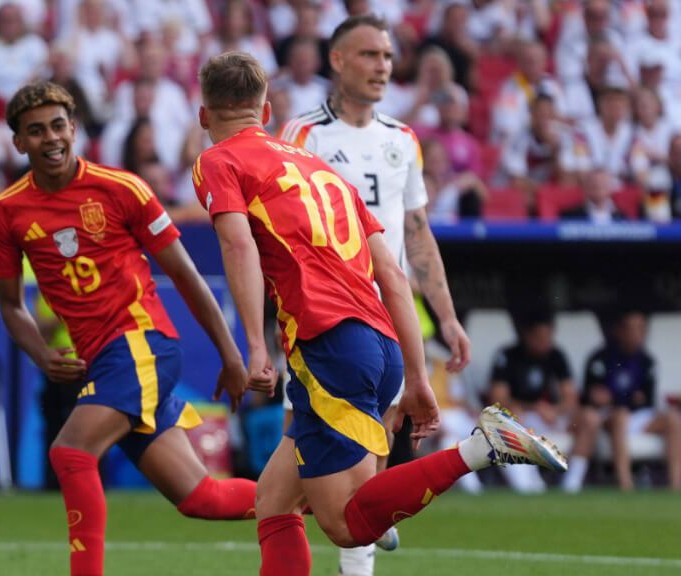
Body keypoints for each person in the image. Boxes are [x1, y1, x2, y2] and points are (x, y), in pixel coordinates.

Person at [192, 51, 566, 576]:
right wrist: (416, 376)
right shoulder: (320, 168)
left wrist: (254, 345)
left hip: (329, 348)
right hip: (377, 342)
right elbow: (391, 273)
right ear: (267, 110)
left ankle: (481, 448)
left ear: (204, 115)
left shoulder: (219, 160)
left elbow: (238, 245)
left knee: (346, 525)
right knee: (275, 501)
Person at [0, 81, 263, 575]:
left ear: (74, 129)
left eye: (58, 125)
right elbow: (11, 305)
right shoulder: (5, 212)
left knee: (71, 452)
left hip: (142, 343)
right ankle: (329, 500)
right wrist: (39, 353)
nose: (50, 138)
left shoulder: (121, 189)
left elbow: (185, 275)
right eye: (36, 130)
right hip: (104, 362)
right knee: (203, 498)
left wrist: (231, 354)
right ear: (19, 143)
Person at [280, 16, 472, 574]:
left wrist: (446, 315)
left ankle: (359, 551)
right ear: (337, 61)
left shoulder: (401, 139)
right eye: (369, 55)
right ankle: (368, 525)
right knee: (298, 463)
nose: (382, 66)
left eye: (387, 57)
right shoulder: (304, 136)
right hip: (323, 315)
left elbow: (417, 231)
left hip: (384, 317)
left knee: (360, 454)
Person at [488, 309, 594, 493]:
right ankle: (531, 484)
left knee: (590, 418)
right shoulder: (508, 356)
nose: (544, 342)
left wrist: (556, 410)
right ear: (527, 335)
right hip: (523, 418)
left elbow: (571, 397)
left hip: (551, 417)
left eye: (548, 337)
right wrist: (533, 407)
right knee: (508, 417)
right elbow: (498, 398)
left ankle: (572, 484)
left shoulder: (556, 355)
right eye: (539, 337)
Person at [582, 310, 681, 491]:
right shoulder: (601, 357)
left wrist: (616, 397)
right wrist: (625, 398)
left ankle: (676, 486)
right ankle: (626, 484)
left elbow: (646, 399)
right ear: (619, 330)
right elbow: (593, 396)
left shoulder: (647, 360)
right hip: (609, 418)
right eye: (631, 328)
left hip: (638, 416)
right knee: (621, 415)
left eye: (641, 329)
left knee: (673, 418)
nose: (637, 334)